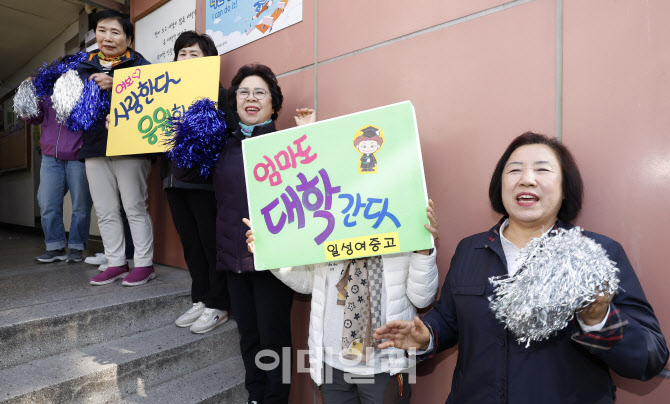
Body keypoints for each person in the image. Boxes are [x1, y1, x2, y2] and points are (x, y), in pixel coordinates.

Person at [373, 132, 669, 404]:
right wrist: (428, 334)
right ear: (499, 186)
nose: (527, 179)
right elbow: (449, 320)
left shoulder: (598, 253)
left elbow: (650, 357)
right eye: (514, 170)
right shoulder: (470, 249)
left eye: (542, 170)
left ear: (566, 189)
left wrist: (598, 319)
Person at [244, 199, 439, 403]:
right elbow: (308, 282)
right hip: (332, 366)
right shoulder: (327, 218)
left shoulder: (401, 217)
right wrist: (272, 257)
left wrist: (424, 247)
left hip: (384, 365)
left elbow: (422, 297)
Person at [212, 64, 311, 404]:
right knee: (249, 336)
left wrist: (308, 137)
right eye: (243, 92)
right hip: (232, 257)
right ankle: (256, 395)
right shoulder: (220, 146)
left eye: (260, 92)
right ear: (234, 101)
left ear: (273, 105)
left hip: (273, 260)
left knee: (275, 338)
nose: (250, 98)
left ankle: (276, 398)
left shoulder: (287, 144)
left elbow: (312, 187)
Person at [162, 31, 237, 334]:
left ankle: (218, 305)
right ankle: (200, 299)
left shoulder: (220, 95)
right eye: (183, 53)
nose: (188, 58)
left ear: (209, 60)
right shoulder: (164, 94)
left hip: (205, 184)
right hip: (173, 181)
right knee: (191, 245)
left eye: (195, 53)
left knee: (209, 244)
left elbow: (233, 132)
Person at [76, 10, 154, 286]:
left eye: (115, 32)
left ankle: (144, 264)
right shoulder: (83, 67)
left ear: (129, 39)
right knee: (105, 210)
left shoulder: (141, 66)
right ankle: (116, 262)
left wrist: (117, 85)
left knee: (134, 206)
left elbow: (154, 101)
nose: (107, 37)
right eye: (102, 30)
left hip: (130, 146)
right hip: (95, 145)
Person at [22, 89, 93, 264]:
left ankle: (76, 247)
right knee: (46, 202)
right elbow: (32, 118)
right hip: (50, 157)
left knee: (81, 204)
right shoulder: (47, 94)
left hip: (78, 155)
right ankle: (55, 247)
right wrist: (27, 92)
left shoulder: (84, 90)